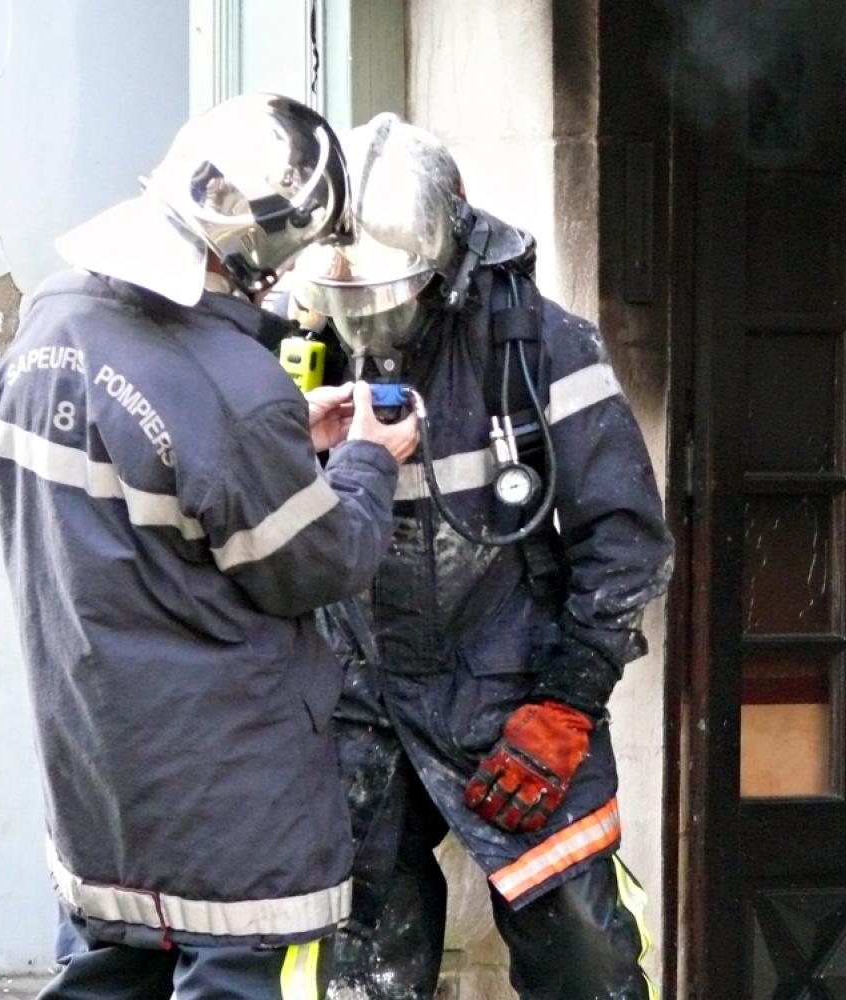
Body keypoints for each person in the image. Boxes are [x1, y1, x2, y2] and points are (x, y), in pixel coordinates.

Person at [0, 94, 419, 1000]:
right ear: (269, 248)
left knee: (109, 969)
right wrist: (369, 464)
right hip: (229, 793)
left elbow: (149, 458)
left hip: (99, 758)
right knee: (232, 980)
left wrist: (286, 436)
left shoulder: (52, 317)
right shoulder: (234, 389)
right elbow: (319, 563)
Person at [292, 113, 675, 1000]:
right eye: (348, 300)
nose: (367, 323)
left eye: (387, 296)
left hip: (513, 692)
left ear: (448, 258)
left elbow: (625, 545)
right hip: (355, 704)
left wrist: (568, 702)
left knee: (584, 954)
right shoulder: (298, 350)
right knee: (352, 964)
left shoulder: (543, 348)